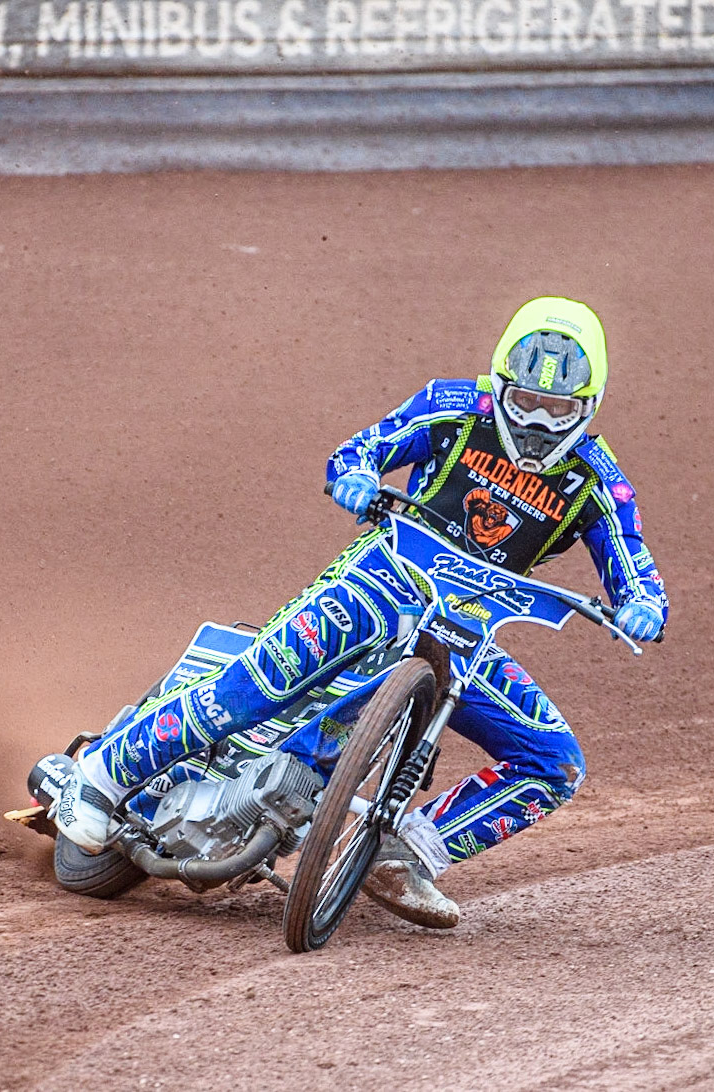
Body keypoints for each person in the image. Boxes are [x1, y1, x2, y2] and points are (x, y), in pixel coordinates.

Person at [53, 297, 666, 928]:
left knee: (554, 761)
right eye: (525, 401)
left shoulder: (599, 481)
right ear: (499, 383)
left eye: (558, 408)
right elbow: (359, 451)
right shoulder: (454, 405)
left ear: (588, 408)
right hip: (379, 581)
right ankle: (103, 773)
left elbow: (635, 568)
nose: (538, 419)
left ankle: (401, 854)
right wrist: (355, 477)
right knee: (258, 685)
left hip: (465, 633)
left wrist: (644, 605)